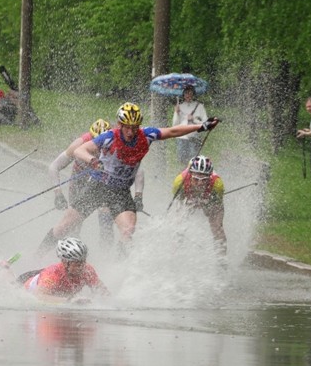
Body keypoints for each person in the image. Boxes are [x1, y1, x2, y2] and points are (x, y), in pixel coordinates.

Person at [37, 102, 219, 255]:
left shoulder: (146, 135)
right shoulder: (109, 137)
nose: (131, 132)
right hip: (98, 186)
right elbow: (79, 150)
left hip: (120, 192)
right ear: (120, 124)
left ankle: (118, 268)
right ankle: (37, 256)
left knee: (128, 230)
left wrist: (201, 126)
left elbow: (172, 131)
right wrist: (92, 160)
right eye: (127, 127)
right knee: (64, 227)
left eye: (134, 127)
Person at [48, 119, 145, 248]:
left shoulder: (116, 143)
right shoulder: (79, 144)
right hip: (80, 184)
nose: (99, 152)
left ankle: (105, 252)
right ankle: (72, 252)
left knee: (105, 218)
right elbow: (54, 167)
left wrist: (138, 195)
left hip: (103, 184)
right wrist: (58, 194)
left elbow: (137, 169)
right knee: (72, 223)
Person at [2, 238, 109, 304]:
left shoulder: (87, 270)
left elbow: (103, 291)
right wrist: (68, 301)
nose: (81, 266)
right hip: (28, 282)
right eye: (76, 263)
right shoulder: (53, 275)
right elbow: (39, 296)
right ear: (65, 261)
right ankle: (5, 266)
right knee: (10, 284)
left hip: (43, 274)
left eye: (83, 261)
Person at [171, 155, 227, 255]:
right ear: (191, 175)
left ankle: (221, 260)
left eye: (204, 179)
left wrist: (205, 204)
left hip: (209, 198)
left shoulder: (217, 184)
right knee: (179, 222)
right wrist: (191, 204)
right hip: (187, 197)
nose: (200, 183)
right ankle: (175, 252)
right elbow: (179, 203)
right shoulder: (179, 182)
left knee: (217, 227)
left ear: (209, 177)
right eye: (196, 179)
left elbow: (217, 206)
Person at [173, 85, 208, 166]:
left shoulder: (199, 106)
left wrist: (194, 120)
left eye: (190, 93)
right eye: (186, 93)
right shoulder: (179, 106)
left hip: (194, 137)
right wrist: (176, 113)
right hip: (182, 137)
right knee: (181, 159)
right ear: (183, 94)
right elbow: (175, 124)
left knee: (193, 160)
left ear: (193, 94)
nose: (188, 95)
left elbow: (205, 123)